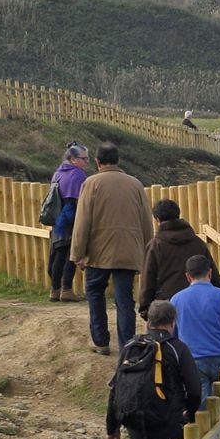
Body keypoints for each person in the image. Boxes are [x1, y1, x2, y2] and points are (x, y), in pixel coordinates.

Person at [69, 142, 152, 354]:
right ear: (118, 161)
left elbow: (82, 221)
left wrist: (78, 253)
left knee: (95, 293)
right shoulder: (135, 184)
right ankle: (127, 345)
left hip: (98, 252)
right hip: (128, 251)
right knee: (125, 300)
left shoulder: (91, 183)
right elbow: (146, 221)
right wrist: (147, 251)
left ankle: (101, 341)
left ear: (97, 162)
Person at [105, 298, 204, 439]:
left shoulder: (130, 347)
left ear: (149, 322)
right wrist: (190, 415)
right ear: (172, 323)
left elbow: (116, 387)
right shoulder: (177, 348)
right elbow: (194, 389)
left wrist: (112, 427)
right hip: (166, 422)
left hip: (134, 421)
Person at [173, 251, 220, 399]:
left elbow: (174, 335)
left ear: (188, 276)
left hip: (193, 361)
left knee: (201, 407)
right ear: (210, 273)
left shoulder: (176, 300)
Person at [138, 198, 211, 316]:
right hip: (197, 303)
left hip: (166, 305)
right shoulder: (197, 242)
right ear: (178, 214)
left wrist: (146, 310)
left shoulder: (155, 245)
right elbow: (211, 271)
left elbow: (148, 278)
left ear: (157, 219)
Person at [43, 144, 88, 301]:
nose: (86, 162)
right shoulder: (77, 174)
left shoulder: (58, 173)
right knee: (70, 253)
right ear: (73, 159)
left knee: (58, 252)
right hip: (71, 215)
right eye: (84, 159)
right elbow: (80, 199)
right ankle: (66, 289)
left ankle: (54, 290)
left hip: (58, 217)